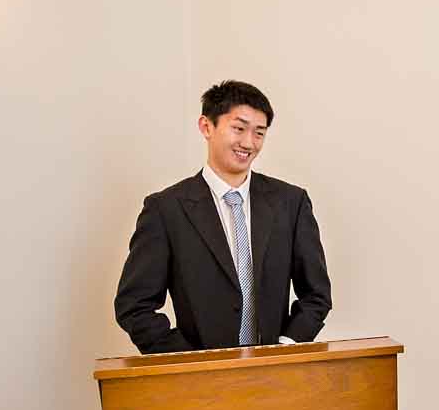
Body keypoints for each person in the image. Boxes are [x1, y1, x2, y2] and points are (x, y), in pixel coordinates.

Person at [115, 80, 332, 354]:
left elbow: (317, 295)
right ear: (207, 126)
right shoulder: (166, 209)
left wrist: (285, 348)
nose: (248, 143)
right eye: (239, 129)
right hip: (198, 380)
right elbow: (134, 305)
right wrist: (188, 360)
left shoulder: (291, 202)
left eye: (259, 133)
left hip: (277, 373)